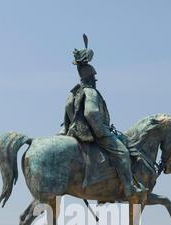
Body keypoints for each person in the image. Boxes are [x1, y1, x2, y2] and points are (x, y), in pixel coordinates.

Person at [60, 35, 146, 200]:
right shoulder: (90, 92)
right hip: (93, 133)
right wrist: (102, 131)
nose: (95, 80)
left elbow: (67, 115)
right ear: (91, 78)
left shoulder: (73, 92)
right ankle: (129, 188)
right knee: (122, 153)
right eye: (94, 78)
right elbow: (91, 113)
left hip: (71, 131)